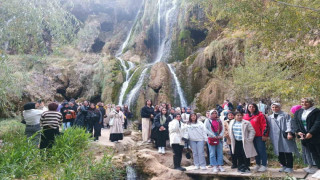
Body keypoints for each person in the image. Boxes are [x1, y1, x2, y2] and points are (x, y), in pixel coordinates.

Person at [267, 103, 298, 173]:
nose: (275, 109)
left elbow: (289, 124)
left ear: (280, 107)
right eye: (273, 107)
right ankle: (283, 165)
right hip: (275, 136)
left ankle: (289, 166)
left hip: (284, 135)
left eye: (276, 107)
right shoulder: (270, 117)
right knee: (279, 151)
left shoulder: (285, 115)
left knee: (287, 150)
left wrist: (289, 133)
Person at [294, 97, 320, 174]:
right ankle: (312, 166)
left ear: (311, 103)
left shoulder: (316, 111)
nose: (304, 104)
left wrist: (311, 132)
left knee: (317, 152)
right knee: (308, 151)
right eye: (302, 102)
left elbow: (318, 123)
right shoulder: (298, 112)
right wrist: (298, 131)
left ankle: (317, 167)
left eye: (306, 102)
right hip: (304, 135)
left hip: (315, 136)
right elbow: (295, 122)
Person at [243, 103, 269, 172]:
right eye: (250, 107)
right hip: (250, 136)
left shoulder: (260, 115)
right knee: (255, 151)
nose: (251, 108)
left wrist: (265, 134)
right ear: (247, 108)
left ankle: (264, 165)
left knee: (261, 150)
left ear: (256, 108)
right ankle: (258, 164)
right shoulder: (245, 116)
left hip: (259, 136)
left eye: (253, 107)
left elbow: (265, 125)